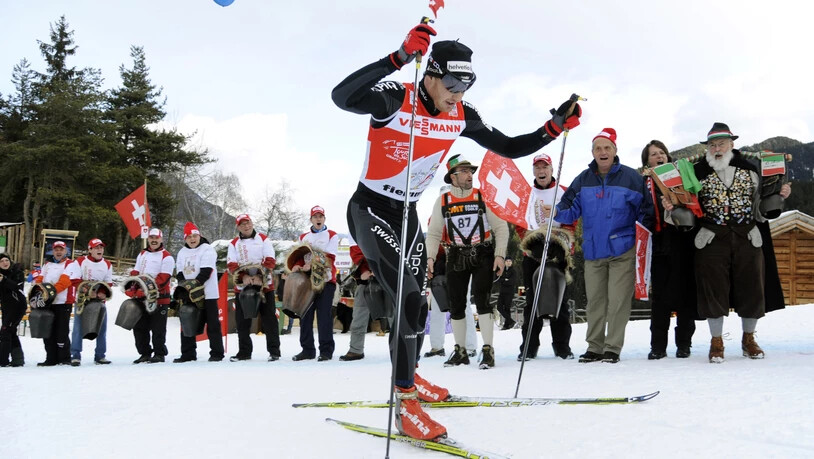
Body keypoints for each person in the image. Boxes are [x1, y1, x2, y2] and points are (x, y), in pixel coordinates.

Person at [333, 21, 580, 439]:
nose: (456, 96)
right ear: (429, 75)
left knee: (415, 302)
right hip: (370, 209)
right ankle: (406, 403)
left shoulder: (462, 114)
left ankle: (409, 375)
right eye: (450, 85)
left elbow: (510, 146)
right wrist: (395, 58)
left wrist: (552, 128)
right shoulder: (398, 96)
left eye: (465, 87)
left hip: (406, 213)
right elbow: (342, 97)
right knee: (408, 299)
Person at [663, 123, 791, 363]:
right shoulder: (695, 173)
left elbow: (759, 208)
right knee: (713, 289)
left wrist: (778, 197)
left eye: (721, 143)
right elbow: (684, 207)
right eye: (712, 144)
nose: (717, 148)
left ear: (732, 144)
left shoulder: (751, 170)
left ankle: (749, 339)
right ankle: (716, 341)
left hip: (747, 236)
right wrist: (670, 208)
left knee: (752, 287)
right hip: (711, 238)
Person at [555, 128, 653, 364]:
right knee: (596, 301)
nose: (603, 152)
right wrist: (556, 210)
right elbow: (568, 210)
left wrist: (640, 239)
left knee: (618, 301)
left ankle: (612, 348)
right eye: (598, 148)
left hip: (623, 250)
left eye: (607, 147)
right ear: (592, 153)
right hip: (593, 250)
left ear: (615, 151)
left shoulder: (631, 178)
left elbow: (646, 212)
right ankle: (594, 347)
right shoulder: (583, 179)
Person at [425, 155, 509, 369]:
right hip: (455, 254)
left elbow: (500, 227)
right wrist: (430, 258)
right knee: (456, 303)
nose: (469, 175)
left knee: (483, 300)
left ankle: (488, 349)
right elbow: (434, 233)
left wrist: (499, 255)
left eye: (471, 171)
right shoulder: (443, 201)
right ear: (452, 176)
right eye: (464, 171)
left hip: (483, 252)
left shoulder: (482, 196)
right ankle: (460, 350)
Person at [641, 140, 698, 359]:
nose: (658, 156)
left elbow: (693, 203)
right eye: (653, 154)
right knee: (660, 299)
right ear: (647, 161)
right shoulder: (644, 183)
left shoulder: (680, 176)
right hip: (656, 243)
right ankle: (658, 346)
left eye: (661, 152)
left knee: (685, 293)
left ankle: (684, 344)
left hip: (682, 240)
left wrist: (676, 203)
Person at [516, 153, 574, 360]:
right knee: (532, 302)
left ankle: (562, 346)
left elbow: (571, 221)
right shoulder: (526, 194)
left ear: (551, 170)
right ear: (533, 171)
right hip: (533, 251)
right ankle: (529, 347)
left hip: (558, 250)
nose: (541, 171)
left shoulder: (563, 192)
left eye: (545, 167)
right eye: (537, 168)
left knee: (561, 300)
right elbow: (519, 222)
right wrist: (531, 242)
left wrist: (563, 243)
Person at [226, 214, 280, 362]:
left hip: (264, 286)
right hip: (243, 286)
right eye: (242, 224)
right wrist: (243, 276)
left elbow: (270, 259)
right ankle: (244, 352)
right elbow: (232, 264)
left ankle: (274, 351)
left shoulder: (263, 239)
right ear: (238, 227)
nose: (246, 226)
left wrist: (260, 276)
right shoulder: (234, 243)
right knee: (242, 322)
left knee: (269, 319)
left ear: (252, 223)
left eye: (248, 223)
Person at [289, 205, 338, 362]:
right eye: (315, 216)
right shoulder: (304, 236)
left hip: (326, 280)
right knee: (305, 315)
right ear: (310, 219)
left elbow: (330, 257)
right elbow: (299, 254)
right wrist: (295, 265)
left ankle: (326, 350)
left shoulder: (332, 235)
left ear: (324, 219)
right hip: (307, 281)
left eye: (320, 216)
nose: (318, 219)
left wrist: (314, 263)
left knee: (324, 316)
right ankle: (307, 349)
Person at [173, 222, 224, 363]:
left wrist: (193, 287)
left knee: (212, 323)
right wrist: (184, 288)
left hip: (207, 292)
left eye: (194, 235)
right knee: (187, 320)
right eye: (189, 236)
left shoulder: (207, 249)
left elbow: (206, 271)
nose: (192, 239)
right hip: (189, 293)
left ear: (199, 235)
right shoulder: (182, 252)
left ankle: (217, 353)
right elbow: (180, 272)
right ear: (185, 239)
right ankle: (188, 353)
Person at [128, 228, 175, 363]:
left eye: (157, 238)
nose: (154, 240)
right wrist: (132, 286)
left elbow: (163, 279)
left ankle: (159, 353)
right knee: (139, 327)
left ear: (161, 239)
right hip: (141, 298)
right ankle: (145, 353)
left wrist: (145, 289)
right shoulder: (142, 254)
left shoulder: (167, 257)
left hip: (159, 297)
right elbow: (136, 272)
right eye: (151, 238)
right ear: (148, 239)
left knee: (158, 328)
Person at [69, 238, 114, 366]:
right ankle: (75, 355)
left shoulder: (107, 264)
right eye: (96, 248)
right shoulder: (80, 261)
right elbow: (74, 280)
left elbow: (108, 282)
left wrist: (102, 292)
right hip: (83, 299)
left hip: (99, 300)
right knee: (78, 328)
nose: (99, 250)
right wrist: (88, 290)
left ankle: (100, 355)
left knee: (101, 328)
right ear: (90, 250)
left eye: (101, 247)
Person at [31, 241, 75, 366]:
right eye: (56, 250)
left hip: (63, 302)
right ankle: (50, 358)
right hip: (47, 303)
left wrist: (48, 292)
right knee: (48, 331)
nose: (59, 252)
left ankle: (64, 358)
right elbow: (40, 278)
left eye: (61, 250)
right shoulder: (47, 264)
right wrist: (37, 290)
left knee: (62, 332)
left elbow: (64, 282)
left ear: (65, 251)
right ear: (53, 251)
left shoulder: (70, 264)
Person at [339, 241, 375, 361]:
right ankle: (356, 349)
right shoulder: (357, 228)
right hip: (364, 282)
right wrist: (364, 270)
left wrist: (381, 269)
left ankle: (399, 349)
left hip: (387, 281)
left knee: (394, 317)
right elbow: (356, 253)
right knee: (358, 317)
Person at [0, 253, 26, 367]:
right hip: (6, 307)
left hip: (18, 306)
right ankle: (18, 359)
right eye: (1, 261)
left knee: (5, 331)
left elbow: (17, 287)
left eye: (6, 260)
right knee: (11, 332)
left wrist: (4, 280)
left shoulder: (17, 272)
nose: (5, 263)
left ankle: (3, 360)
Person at [496, 258, 517, 330]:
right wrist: (505, 280)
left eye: (510, 261)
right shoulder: (502, 270)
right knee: (499, 307)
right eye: (507, 261)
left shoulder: (513, 271)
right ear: (504, 262)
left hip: (509, 293)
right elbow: (498, 279)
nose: (508, 262)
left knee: (507, 308)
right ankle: (511, 321)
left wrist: (504, 280)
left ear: (511, 263)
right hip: (502, 292)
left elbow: (512, 282)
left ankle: (506, 325)